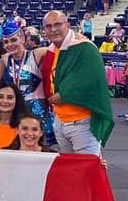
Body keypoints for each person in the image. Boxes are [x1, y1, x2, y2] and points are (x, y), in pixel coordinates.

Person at [41, 10, 113, 155]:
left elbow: (92, 79)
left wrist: (65, 94)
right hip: (60, 121)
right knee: (71, 172)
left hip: (82, 123)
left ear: (67, 25)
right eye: (48, 26)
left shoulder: (84, 48)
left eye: (57, 24)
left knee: (87, 171)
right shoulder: (52, 49)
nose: (53, 29)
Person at [0, 18, 56, 147]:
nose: (10, 44)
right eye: (6, 42)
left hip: (38, 113)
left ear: (22, 38)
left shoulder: (37, 54)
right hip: (17, 114)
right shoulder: (5, 60)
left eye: (13, 40)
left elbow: (60, 48)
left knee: (41, 153)